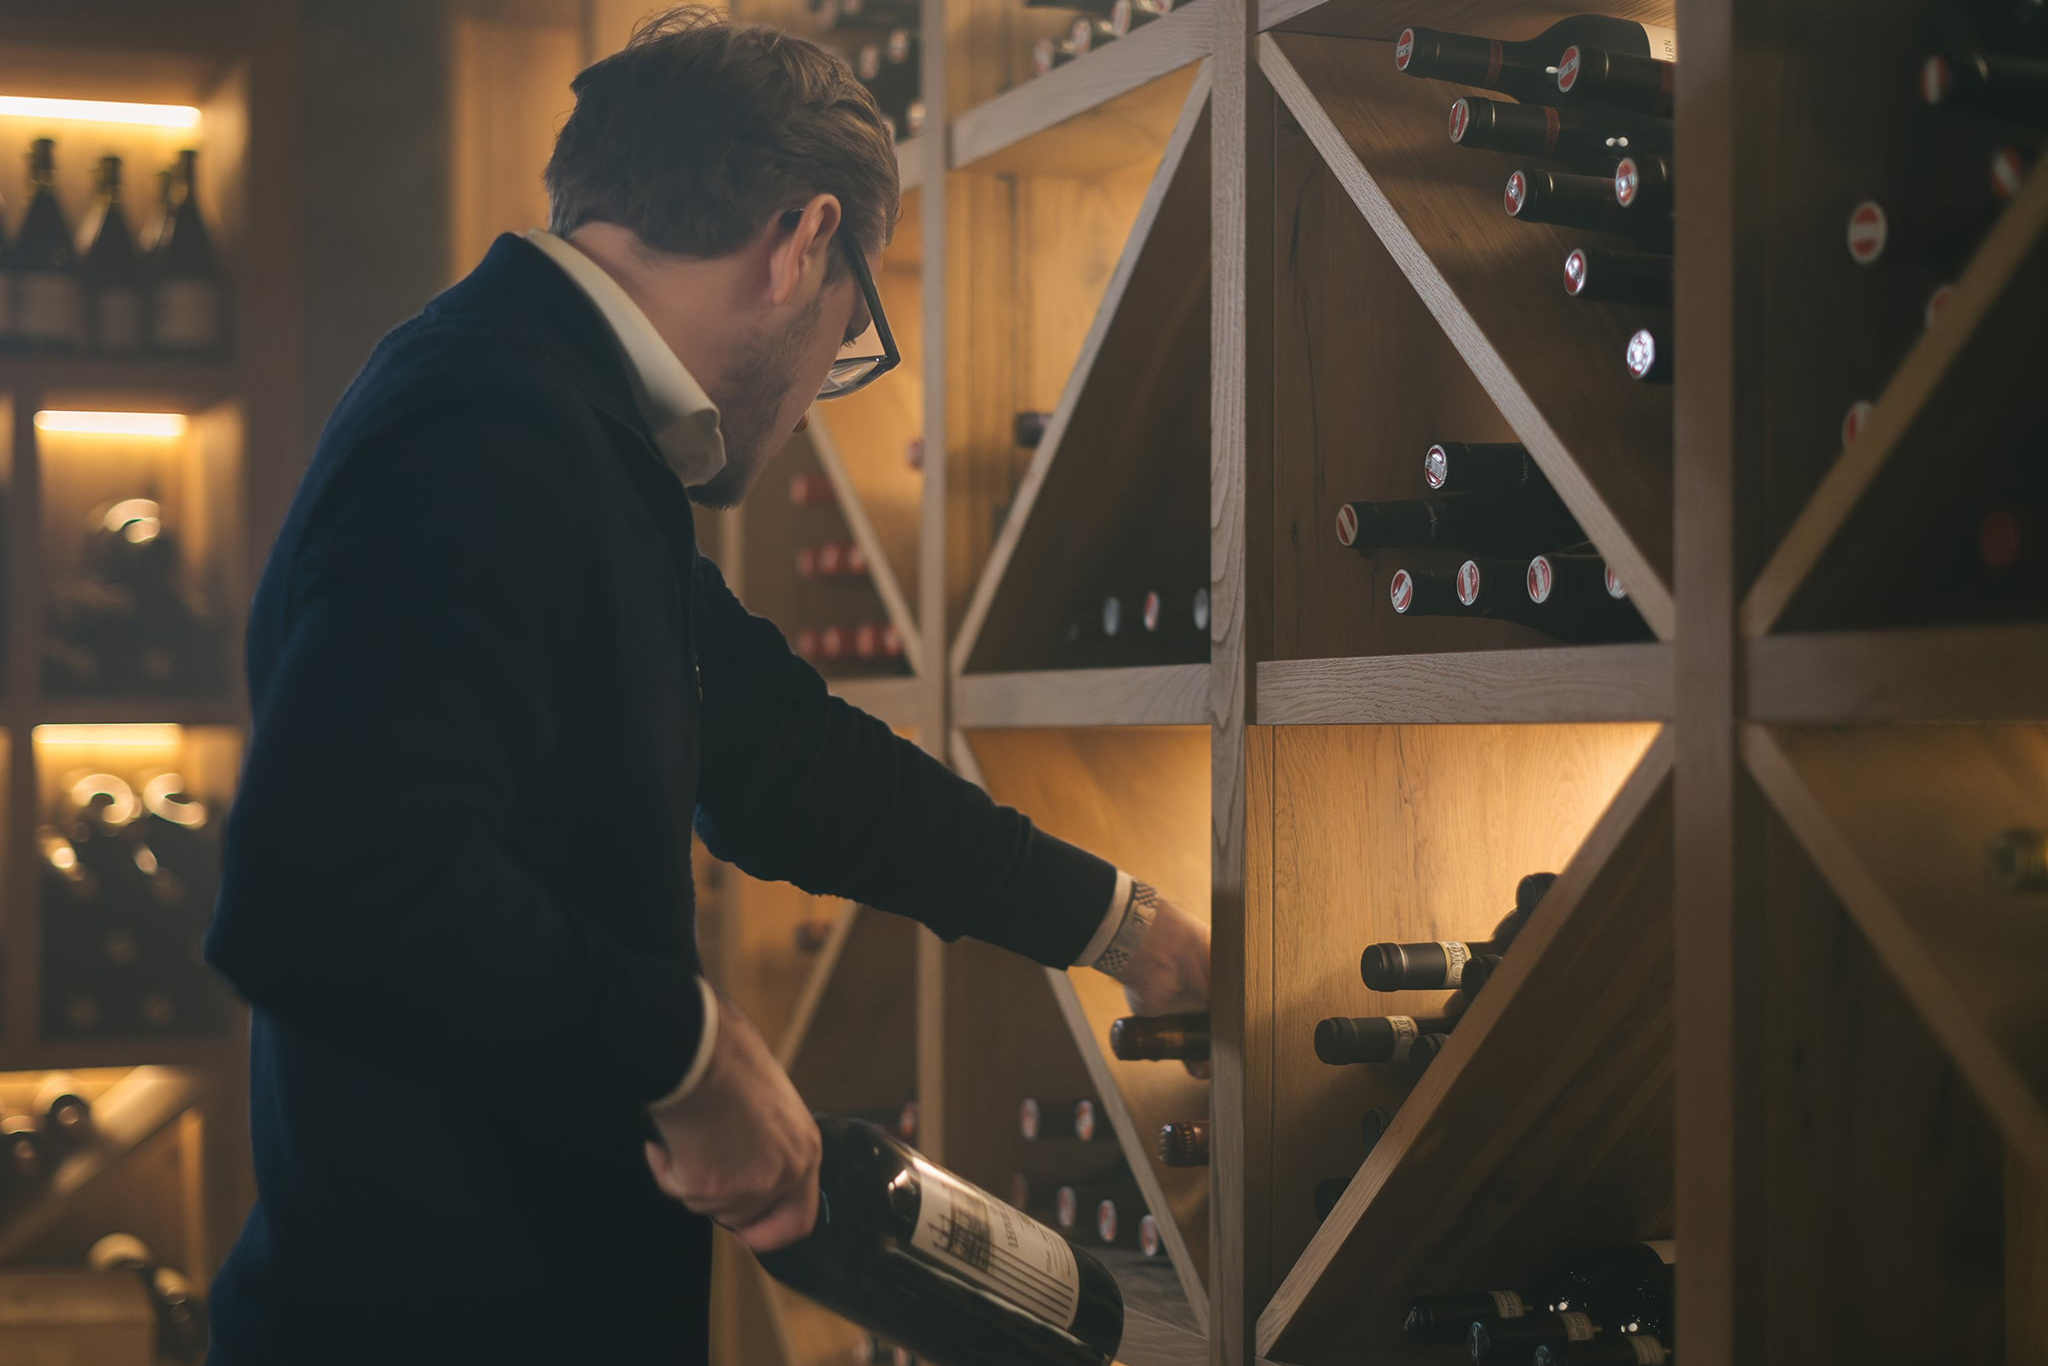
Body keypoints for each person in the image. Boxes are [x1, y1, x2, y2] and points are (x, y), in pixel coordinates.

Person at [199, 7, 1211, 1363]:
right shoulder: (492, 426)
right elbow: (323, 888)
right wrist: (682, 1048)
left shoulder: (559, 413)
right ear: (801, 244)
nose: (817, 395)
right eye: (853, 332)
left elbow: (781, 756)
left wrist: (1120, 926)